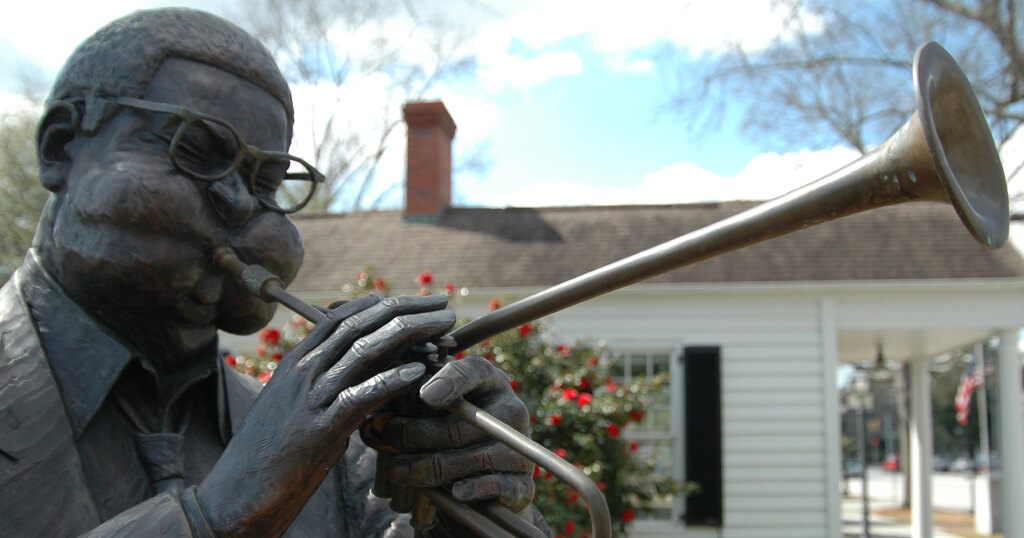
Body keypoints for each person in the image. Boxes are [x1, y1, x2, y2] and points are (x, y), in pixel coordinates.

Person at [0, 8, 546, 536]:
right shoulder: (291, 449)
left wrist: (475, 515)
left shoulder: (324, 449)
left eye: (265, 183)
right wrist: (221, 514)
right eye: (195, 151)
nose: (240, 204)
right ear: (61, 145)